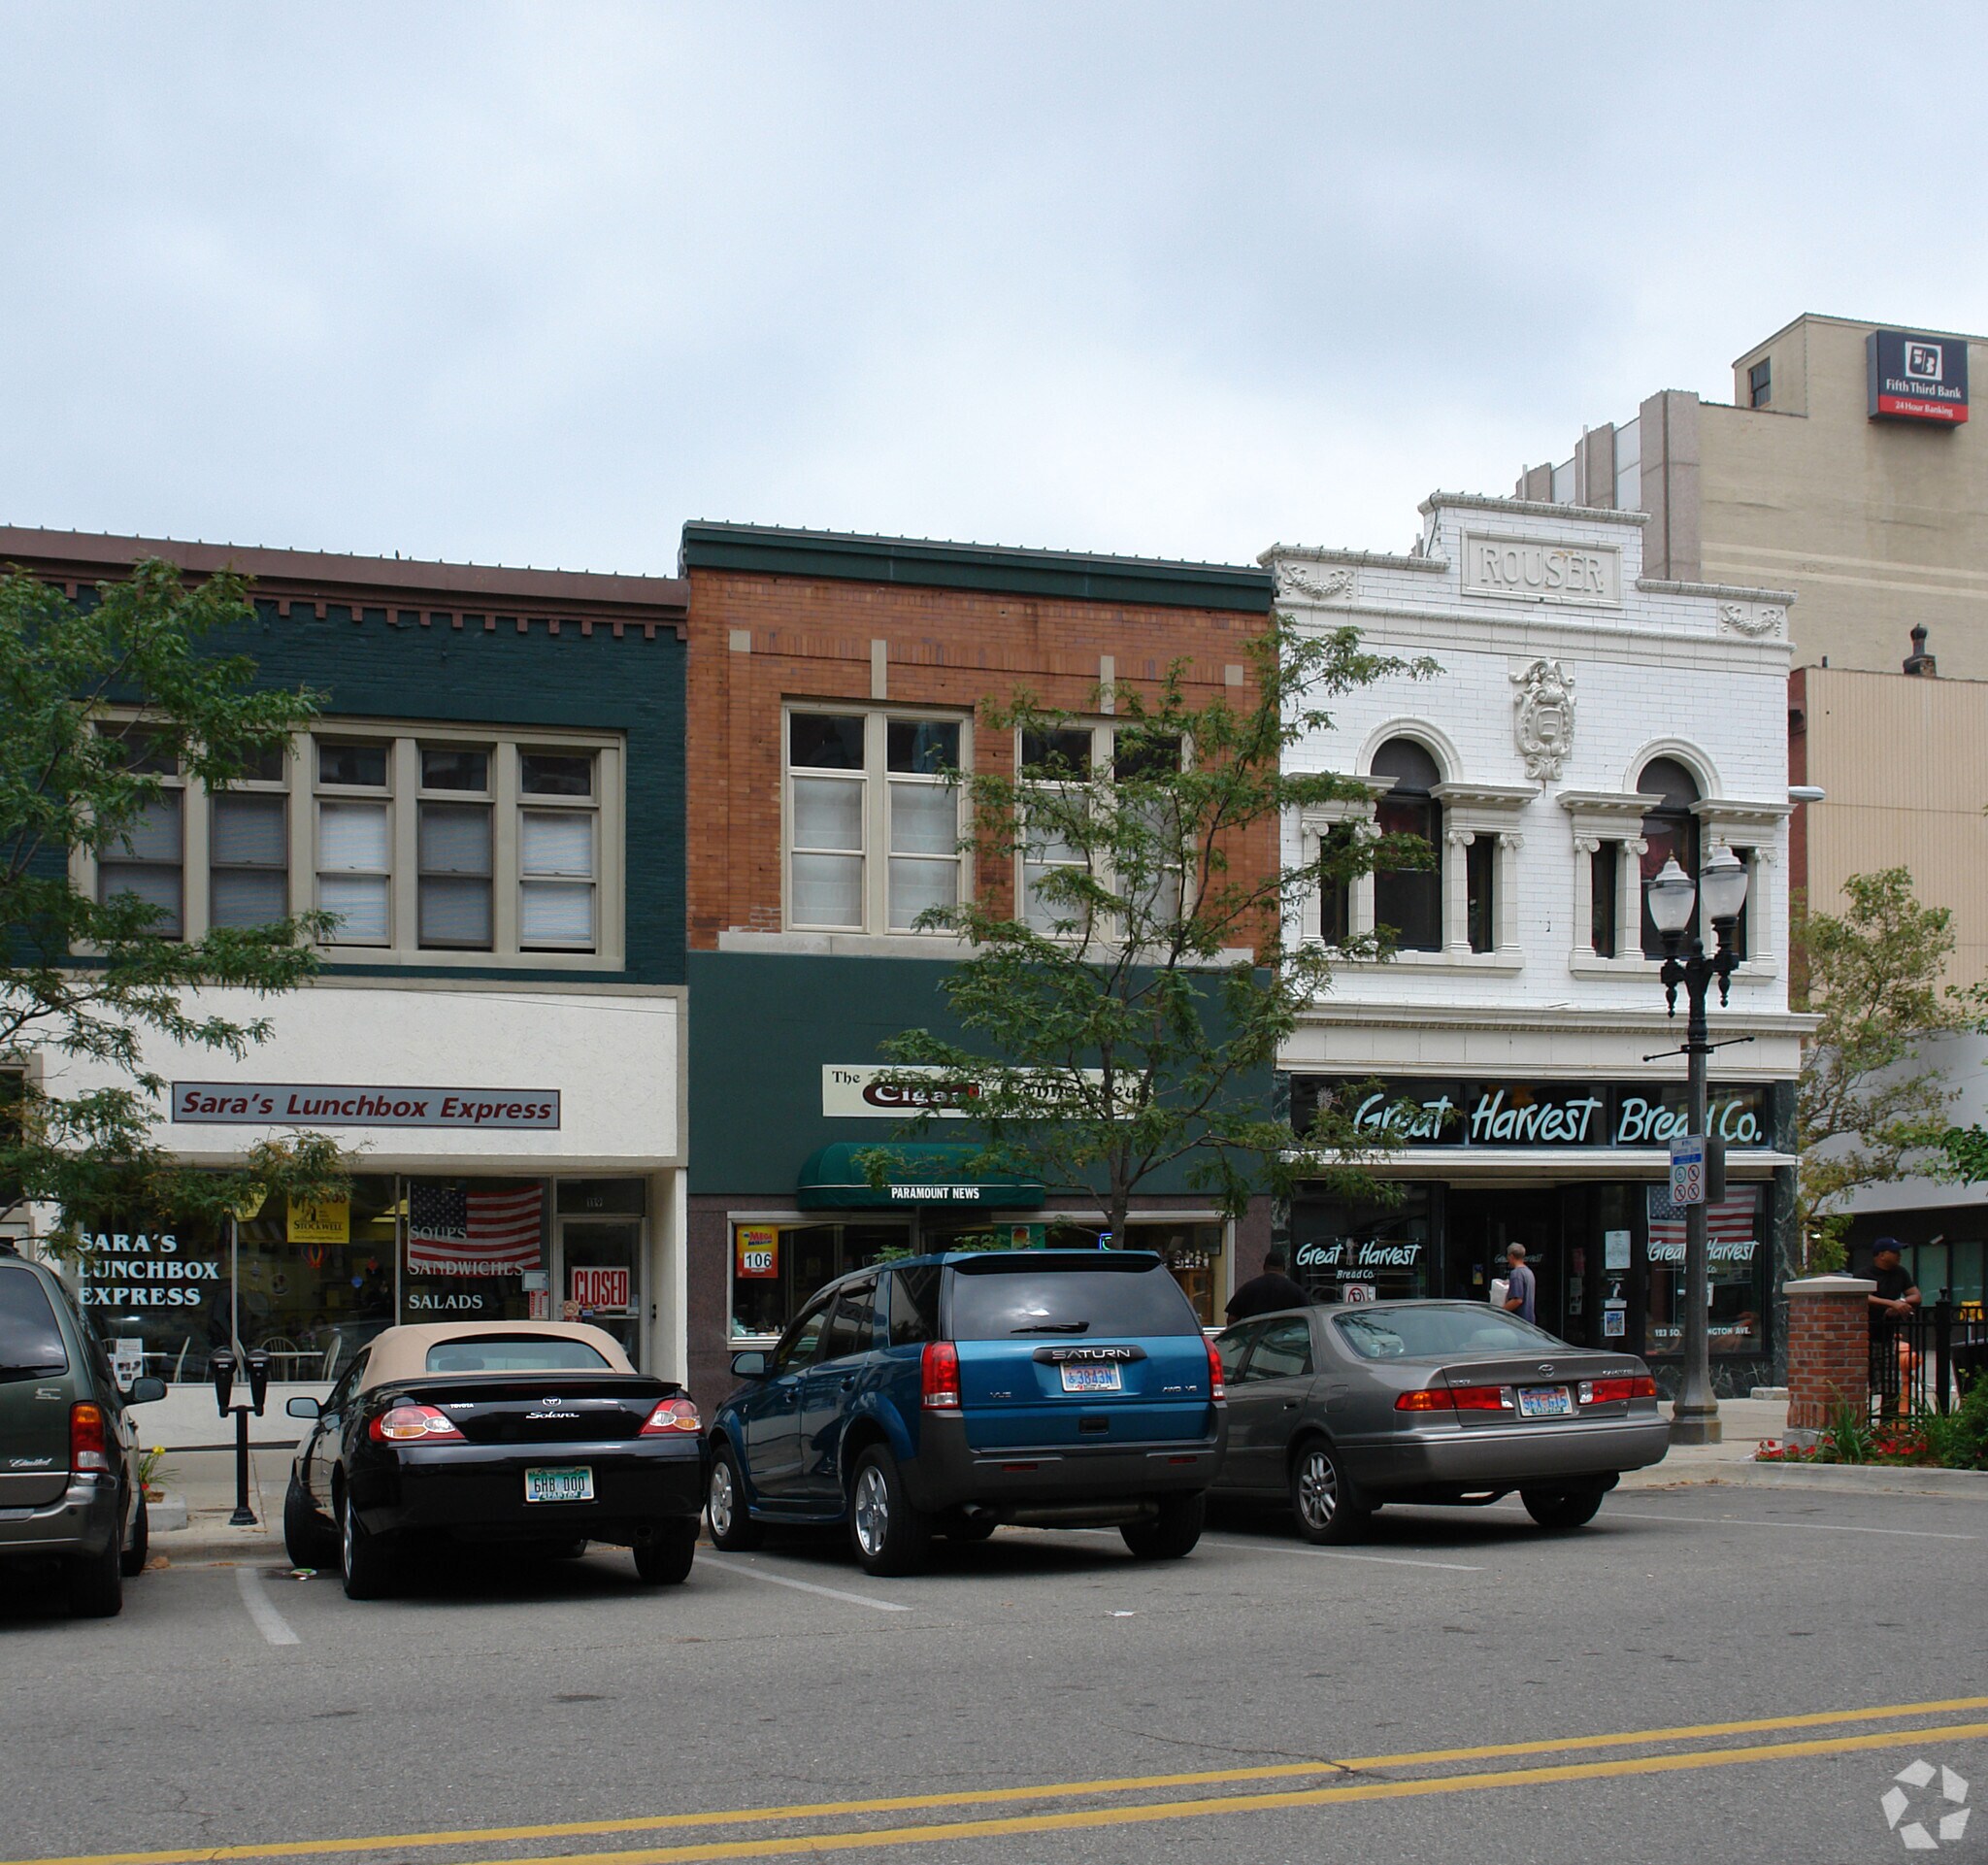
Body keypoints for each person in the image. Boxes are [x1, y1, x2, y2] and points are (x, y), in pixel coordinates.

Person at [1225, 1248, 1309, 1322]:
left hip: (1255, 1336)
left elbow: (1232, 1318)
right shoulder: (1296, 1291)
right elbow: (1307, 1317)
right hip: (1286, 1337)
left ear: (1264, 1267)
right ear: (1284, 1268)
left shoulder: (1248, 1288)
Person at [1502, 1243, 1537, 1325]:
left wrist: (1501, 1311)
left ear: (1512, 1256)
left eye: (1508, 1256)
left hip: (1519, 1322)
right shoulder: (1529, 1272)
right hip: (1530, 1320)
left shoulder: (1516, 1273)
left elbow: (1517, 1300)